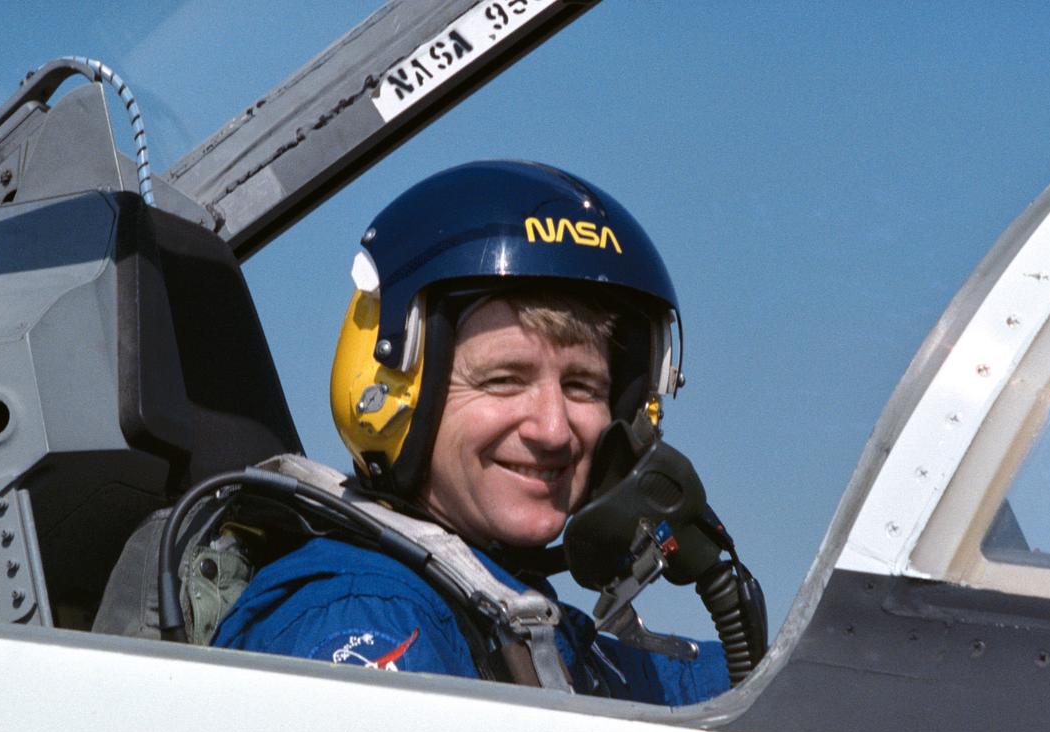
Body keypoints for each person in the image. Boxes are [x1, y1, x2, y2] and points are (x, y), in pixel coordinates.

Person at [212, 161, 757, 704]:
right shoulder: (369, 617)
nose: (552, 429)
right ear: (397, 391)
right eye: (503, 380)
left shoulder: (522, 628)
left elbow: (742, 687)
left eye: (583, 387)